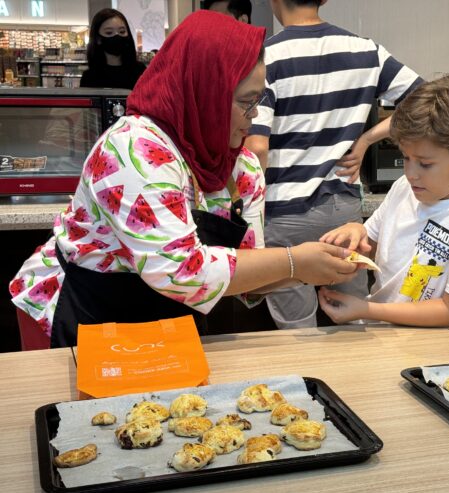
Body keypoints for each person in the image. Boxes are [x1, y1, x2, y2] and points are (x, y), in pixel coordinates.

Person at [9, 11, 356, 348]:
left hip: (166, 317)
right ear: (203, 93)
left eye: (259, 101)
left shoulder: (241, 169)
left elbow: (247, 272)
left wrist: (318, 265)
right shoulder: (133, 150)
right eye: (246, 102)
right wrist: (294, 261)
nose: (254, 117)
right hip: (84, 310)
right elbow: (181, 271)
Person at [246, 0, 423, 329]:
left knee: (296, 329)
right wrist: (366, 139)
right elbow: (425, 100)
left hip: (284, 213)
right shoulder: (367, 51)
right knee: (352, 317)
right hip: (343, 210)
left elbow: (257, 148)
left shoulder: (266, 57)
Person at [317, 75, 449, 327]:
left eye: (425, 164)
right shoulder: (404, 188)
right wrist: (355, 233)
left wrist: (367, 309)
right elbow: (369, 243)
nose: (410, 173)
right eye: (406, 158)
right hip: (386, 331)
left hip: (436, 342)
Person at [80, 8, 146, 89]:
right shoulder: (89, 77)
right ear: (98, 39)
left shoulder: (140, 71)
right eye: (109, 33)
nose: (117, 36)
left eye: (122, 32)